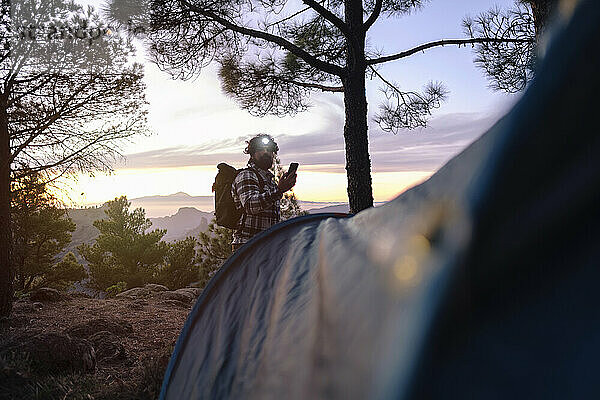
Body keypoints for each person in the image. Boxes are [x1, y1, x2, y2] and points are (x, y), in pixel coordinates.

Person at [231, 134, 297, 251]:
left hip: (266, 245)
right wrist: (279, 190)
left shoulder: (269, 181)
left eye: (269, 150)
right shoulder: (246, 175)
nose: (266, 153)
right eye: (261, 149)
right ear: (252, 154)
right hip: (247, 246)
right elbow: (250, 205)